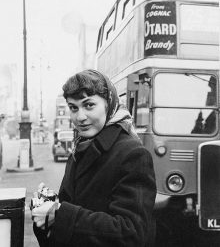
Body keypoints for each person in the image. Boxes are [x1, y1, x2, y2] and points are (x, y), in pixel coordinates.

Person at [32, 69, 156, 247]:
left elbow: (132, 233)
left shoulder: (133, 155)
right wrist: (49, 208)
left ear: (109, 104)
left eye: (89, 105)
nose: (80, 117)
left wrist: (61, 215)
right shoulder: (81, 147)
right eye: (73, 108)